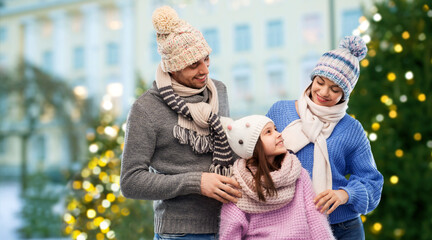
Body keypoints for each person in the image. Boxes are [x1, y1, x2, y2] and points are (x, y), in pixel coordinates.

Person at [120, 6, 241, 240]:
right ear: (173, 67)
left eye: (206, 59)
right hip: (180, 232)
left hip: (231, 223)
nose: (205, 70)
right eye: (193, 64)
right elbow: (130, 181)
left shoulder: (219, 91)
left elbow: (230, 146)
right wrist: (196, 182)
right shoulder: (146, 108)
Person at [266, 36, 384, 239]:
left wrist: (344, 194)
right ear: (313, 79)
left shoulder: (351, 129)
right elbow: (256, 155)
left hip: (342, 228)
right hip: (288, 223)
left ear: (345, 95)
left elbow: (372, 183)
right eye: (320, 82)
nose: (323, 92)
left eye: (335, 89)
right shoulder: (280, 112)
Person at [219, 115, 335, 240]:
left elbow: (315, 218)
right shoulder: (238, 184)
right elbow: (231, 229)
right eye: (268, 132)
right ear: (252, 146)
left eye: (275, 129)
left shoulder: (298, 174)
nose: (278, 134)